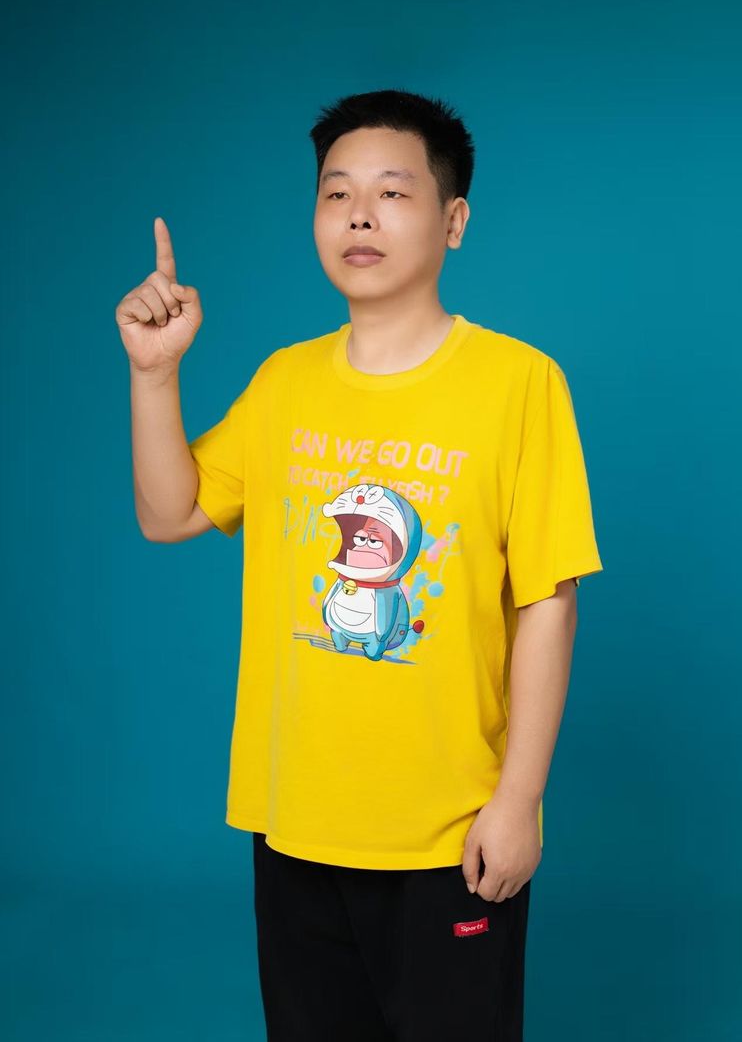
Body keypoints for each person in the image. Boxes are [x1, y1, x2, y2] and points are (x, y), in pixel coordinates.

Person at [115, 88, 603, 1041]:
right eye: (337, 194)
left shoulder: (519, 383)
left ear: (453, 221)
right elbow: (168, 513)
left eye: (392, 192)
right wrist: (154, 373)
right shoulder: (285, 382)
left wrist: (518, 802)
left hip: (450, 837)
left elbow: (549, 601)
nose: (360, 216)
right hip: (295, 823)